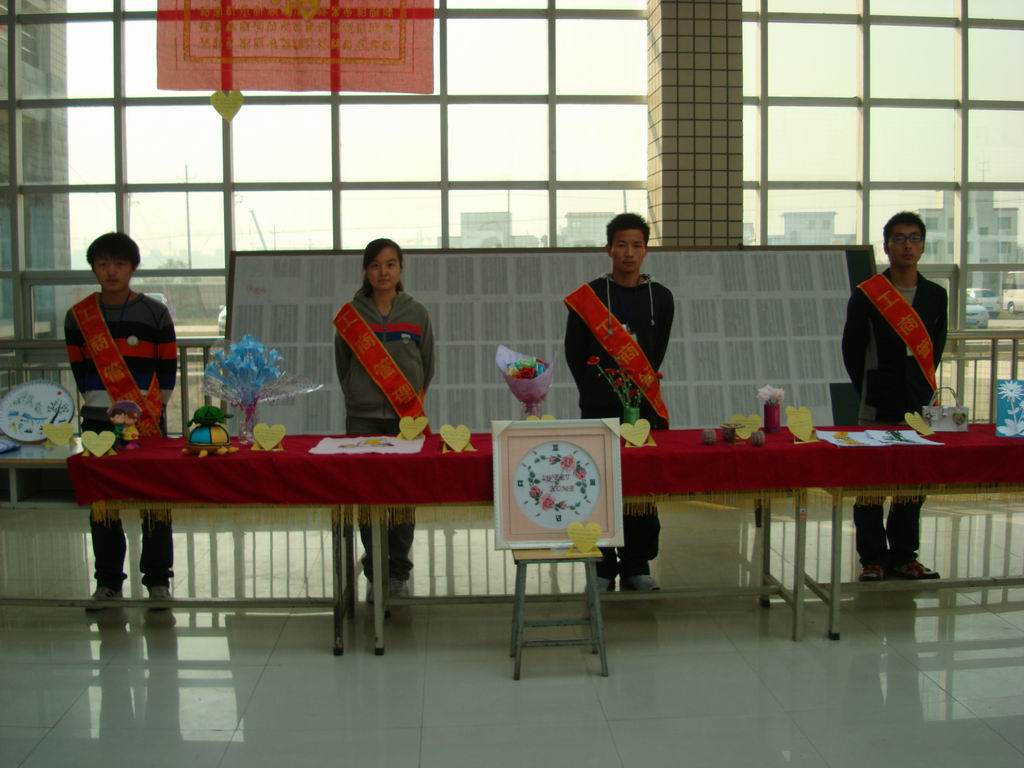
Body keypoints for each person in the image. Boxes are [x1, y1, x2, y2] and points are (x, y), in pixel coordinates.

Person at [64, 232, 178, 604]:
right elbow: (79, 368)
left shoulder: (155, 313)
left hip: (147, 420)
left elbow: (167, 367)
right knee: (104, 503)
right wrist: (103, 403)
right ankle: (108, 581)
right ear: (93, 268)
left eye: (119, 263)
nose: (111, 271)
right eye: (103, 264)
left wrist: (148, 411)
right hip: (97, 422)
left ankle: (158, 581)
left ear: (132, 268)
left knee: (155, 499)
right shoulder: (78, 317)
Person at [564, 213, 674, 591]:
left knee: (641, 484)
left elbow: (656, 351)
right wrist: (596, 390)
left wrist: (640, 384)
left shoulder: (661, 297)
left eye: (637, 245)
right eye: (622, 245)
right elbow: (575, 353)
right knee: (598, 483)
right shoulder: (590, 297)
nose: (629, 253)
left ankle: (636, 565)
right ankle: (600, 564)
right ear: (608, 249)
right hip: (598, 407)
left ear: (646, 250)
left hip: (642, 408)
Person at [842, 211, 947, 582]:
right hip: (878, 400)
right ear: (886, 246)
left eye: (914, 238)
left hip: (919, 403)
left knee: (912, 483)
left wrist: (919, 386)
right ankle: (873, 559)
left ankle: (904, 557)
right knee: (871, 483)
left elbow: (935, 348)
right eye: (899, 239)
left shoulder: (936, 295)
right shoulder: (868, 295)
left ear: (923, 245)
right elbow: (852, 350)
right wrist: (870, 386)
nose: (907, 246)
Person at [333, 238, 435, 600]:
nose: (383, 272)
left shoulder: (417, 313)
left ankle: (398, 570)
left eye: (390, 264)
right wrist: (360, 395)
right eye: (375, 265)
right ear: (365, 270)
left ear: (400, 268)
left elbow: (427, 365)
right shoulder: (351, 315)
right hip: (362, 419)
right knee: (367, 495)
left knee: (403, 495)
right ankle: (376, 570)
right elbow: (343, 366)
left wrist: (406, 402)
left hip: (404, 418)